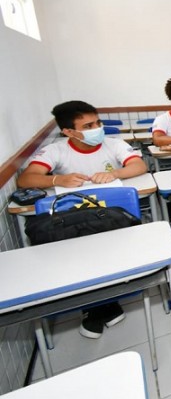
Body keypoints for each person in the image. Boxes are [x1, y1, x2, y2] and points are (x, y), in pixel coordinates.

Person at [17, 100, 147, 339]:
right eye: (88, 125)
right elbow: (26, 179)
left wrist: (113, 173)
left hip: (113, 216)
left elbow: (139, 165)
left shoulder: (113, 144)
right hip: (76, 219)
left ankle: (101, 305)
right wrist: (57, 180)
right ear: (68, 131)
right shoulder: (56, 151)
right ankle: (100, 304)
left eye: (97, 122)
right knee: (77, 250)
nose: (97, 128)